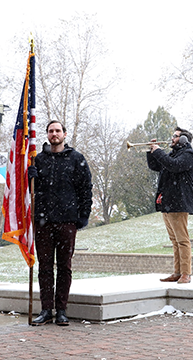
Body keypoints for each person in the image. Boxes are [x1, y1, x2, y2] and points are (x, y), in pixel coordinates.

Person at [29, 120, 93, 326]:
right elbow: (31, 191)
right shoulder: (38, 160)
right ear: (47, 135)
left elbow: (85, 189)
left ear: (64, 134)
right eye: (50, 131)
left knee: (64, 267)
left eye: (57, 131)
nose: (54, 134)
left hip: (67, 220)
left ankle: (62, 310)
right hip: (43, 221)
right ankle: (46, 309)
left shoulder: (76, 159)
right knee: (45, 267)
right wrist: (30, 177)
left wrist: (83, 216)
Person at [147, 126, 193, 284]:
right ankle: (177, 272)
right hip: (168, 203)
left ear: (183, 140)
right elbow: (155, 166)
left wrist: (158, 152)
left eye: (175, 136)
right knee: (174, 241)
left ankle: (186, 274)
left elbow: (173, 165)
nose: (172, 138)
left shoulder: (188, 155)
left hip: (179, 203)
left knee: (182, 240)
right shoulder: (173, 154)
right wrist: (151, 152)